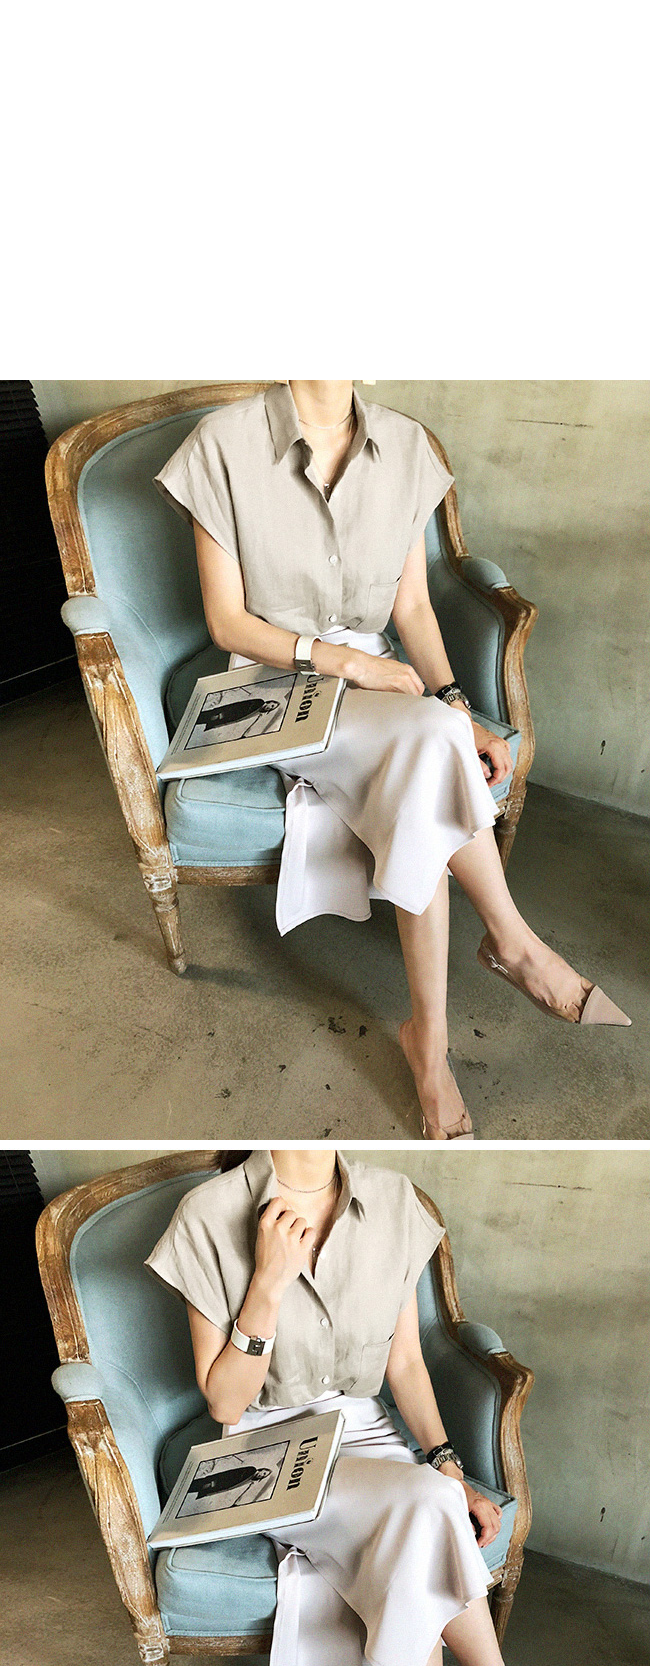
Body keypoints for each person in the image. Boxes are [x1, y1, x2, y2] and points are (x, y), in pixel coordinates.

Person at [147, 1149, 627, 1666]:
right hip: (270, 1448)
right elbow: (227, 1405)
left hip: (368, 1434)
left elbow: (404, 1364)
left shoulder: (394, 1200)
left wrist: (447, 1466)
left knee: (423, 1515)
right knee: (422, 1516)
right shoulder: (207, 1215)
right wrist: (267, 1282)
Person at [156, 383, 629, 1140]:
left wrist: (457, 707)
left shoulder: (406, 446)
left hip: (387, 691)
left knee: (430, 750)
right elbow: (228, 623)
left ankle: (432, 1040)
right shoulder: (222, 444)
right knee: (427, 750)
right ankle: (508, 949)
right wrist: (348, 662)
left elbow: (411, 608)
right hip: (276, 686)